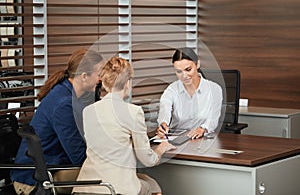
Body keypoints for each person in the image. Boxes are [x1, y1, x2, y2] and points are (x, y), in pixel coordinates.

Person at [73, 56, 176, 195]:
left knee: (148, 182)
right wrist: (161, 149)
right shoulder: (133, 112)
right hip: (116, 189)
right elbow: (147, 159)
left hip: (85, 188)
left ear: (104, 83)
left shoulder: (88, 111)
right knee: (153, 189)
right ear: (127, 83)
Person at [10, 48, 104, 195]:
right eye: (99, 75)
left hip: (52, 168)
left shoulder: (71, 96)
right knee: (106, 178)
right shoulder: (63, 104)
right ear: (84, 76)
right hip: (33, 180)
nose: (101, 80)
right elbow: (78, 156)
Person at [157, 47, 223, 139]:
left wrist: (202, 129)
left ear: (197, 64)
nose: (184, 76)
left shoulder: (214, 89)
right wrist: (163, 124)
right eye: (179, 71)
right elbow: (165, 110)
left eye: (188, 69)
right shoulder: (171, 90)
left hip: (203, 139)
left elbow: (213, 120)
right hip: (177, 139)